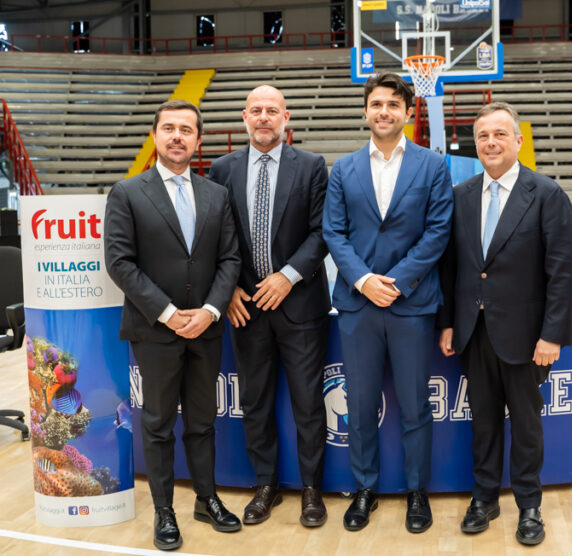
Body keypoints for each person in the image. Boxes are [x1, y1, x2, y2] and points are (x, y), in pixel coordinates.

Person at [437, 102, 572, 545]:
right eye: (483, 136)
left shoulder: (547, 194)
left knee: (526, 424)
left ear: (519, 141)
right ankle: (484, 497)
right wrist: (447, 324)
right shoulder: (460, 196)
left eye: (500, 134)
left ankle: (529, 505)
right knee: (482, 422)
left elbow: (565, 271)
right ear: (474, 144)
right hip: (472, 332)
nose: (491, 143)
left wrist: (552, 334)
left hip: (526, 336)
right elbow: (450, 268)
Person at [105, 100, 242, 551]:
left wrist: (209, 311)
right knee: (159, 424)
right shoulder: (126, 193)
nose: (177, 136)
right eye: (169, 128)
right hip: (155, 330)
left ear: (198, 141)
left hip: (207, 327)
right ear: (156, 136)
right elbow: (120, 263)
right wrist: (167, 313)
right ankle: (165, 512)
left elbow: (230, 259)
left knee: (203, 422)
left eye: (186, 129)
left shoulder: (216, 195)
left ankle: (207, 499)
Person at [322, 72, 453, 534]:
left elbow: (438, 232)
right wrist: (362, 281)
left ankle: (418, 492)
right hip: (358, 307)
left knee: (416, 405)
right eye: (376, 104)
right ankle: (364, 490)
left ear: (407, 112)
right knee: (358, 406)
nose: (384, 112)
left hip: (411, 304)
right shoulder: (342, 168)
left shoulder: (433, 166)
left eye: (393, 105)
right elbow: (333, 233)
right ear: (365, 111)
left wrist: (394, 282)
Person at [208, 85, 331, 528]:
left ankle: (312, 490)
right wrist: (228, 292)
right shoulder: (221, 169)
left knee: (308, 403)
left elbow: (322, 233)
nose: (264, 117)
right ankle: (266, 485)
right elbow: (214, 238)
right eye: (256, 110)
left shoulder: (313, 166)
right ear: (244, 117)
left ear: (286, 118)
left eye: (272, 110)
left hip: (300, 304)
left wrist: (287, 276)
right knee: (256, 402)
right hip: (245, 308)